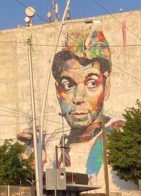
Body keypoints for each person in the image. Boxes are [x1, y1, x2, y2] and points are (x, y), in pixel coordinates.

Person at [50, 25, 124, 181]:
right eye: (68, 85)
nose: (78, 98)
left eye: (91, 83)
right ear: (58, 91)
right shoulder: (53, 143)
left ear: (107, 86)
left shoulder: (119, 135)